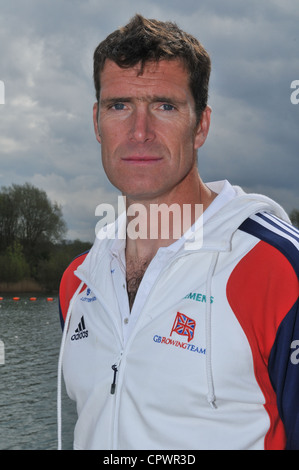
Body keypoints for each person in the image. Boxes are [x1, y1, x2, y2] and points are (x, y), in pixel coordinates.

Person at [57, 14, 299, 450]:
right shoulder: (78, 282)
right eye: (119, 106)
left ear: (201, 124)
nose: (139, 132)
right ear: (97, 122)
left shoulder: (277, 269)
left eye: (165, 106)